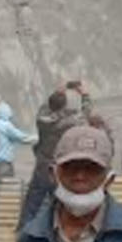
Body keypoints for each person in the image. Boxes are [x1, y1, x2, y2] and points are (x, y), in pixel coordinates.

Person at [25, 83, 92, 226]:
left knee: (32, 203)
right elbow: (86, 112)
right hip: (61, 166)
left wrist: (56, 93)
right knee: (60, 202)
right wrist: (85, 95)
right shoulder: (71, 121)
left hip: (43, 164)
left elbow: (45, 108)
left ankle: (23, 231)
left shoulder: (41, 119)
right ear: (65, 105)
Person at [0, 101, 37, 179]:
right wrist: (38, 137)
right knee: (6, 186)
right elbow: (23, 138)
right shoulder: (6, 125)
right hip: (2, 162)